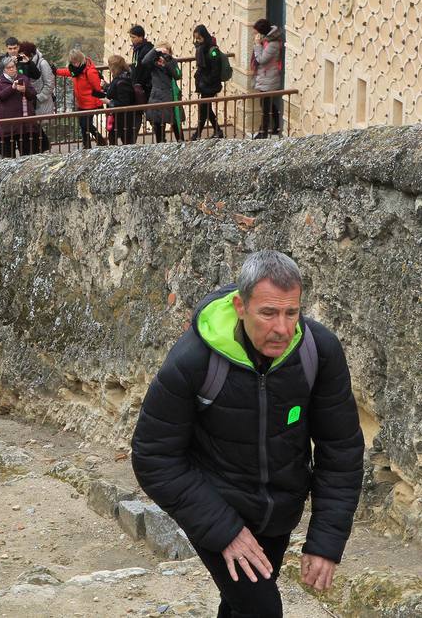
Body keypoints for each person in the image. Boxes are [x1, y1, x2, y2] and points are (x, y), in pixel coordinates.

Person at [131, 251, 364, 618]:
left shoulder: (319, 352)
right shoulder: (195, 359)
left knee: (241, 609)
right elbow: (153, 455)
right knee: (261, 610)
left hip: (279, 511)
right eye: (268, 313)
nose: (282, 328)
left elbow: (341, 450)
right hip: (215, 504)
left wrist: (325, 541)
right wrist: (224, 530)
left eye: (291, 313)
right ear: (241, 306)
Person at [57, 49, 106, 149]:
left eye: (76, 61)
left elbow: (97, 87)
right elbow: (67, 72)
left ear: (81, 59)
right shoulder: (75, 70)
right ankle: (86, 145)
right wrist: (55, 71)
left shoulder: (90, 71)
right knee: (83, 125)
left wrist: (99, 101)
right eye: (73, 62)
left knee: (86, 124)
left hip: (91, 102)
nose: (75, 64)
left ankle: (100, 140)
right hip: (81, 102)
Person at [0, 58, 37, 159]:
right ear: (4, 70)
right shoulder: (0, 81)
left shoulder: (23, 78)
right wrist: (12, 88)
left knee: (27, 156)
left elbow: (33, 94)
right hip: (8, 124)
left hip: (24, 124)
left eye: (13, 67)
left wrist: (25, 90)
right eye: (9, 68)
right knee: (7, 157)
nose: (12, 69)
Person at [249, 18, 285, 138]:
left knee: (265, 107)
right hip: (265, 77)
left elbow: (261, 59)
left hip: (269, 78)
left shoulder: (272, 44)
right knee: (268, 104)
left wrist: (257, 45)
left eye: (256, 32)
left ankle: (263, 133)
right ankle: (276, 127)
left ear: (262, 32)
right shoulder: (268, 40)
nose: (255, 35)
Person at [18, 41, 55, 153]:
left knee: (35, 126)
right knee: (33, 126)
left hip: (40, 102)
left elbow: (49, 83)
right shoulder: (22, 61)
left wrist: (39, 97)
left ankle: (43, 148)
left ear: (30, 55)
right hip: (30, 100)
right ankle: (43, 148)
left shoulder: (42, 63)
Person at [191, 24, 226, 140]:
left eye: (199, 39)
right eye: (196, 39)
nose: (198, 41)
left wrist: (205, 81)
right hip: (204, 85)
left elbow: (215, 71)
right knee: (206, 109)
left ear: (204, 36)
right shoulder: (202, 49)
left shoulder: (213, 50)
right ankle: (217, 131)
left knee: (204, 109)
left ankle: (197, 134)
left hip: (210, 85)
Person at [146, 43, 183, 143]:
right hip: (158, 96)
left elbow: (178, 75)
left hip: (171, 95)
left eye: (166, 51)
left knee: (175, 121)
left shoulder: (172, 61)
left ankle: (181, 142)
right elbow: (145, 61)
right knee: (158, 122)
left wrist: (168, 62)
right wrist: (155, 51)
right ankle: (161, 142)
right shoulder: (153, 63)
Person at [102, 55, 138, 145]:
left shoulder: (122, 81)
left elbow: (124, 102)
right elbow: (115, 90)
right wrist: (106, 87)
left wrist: (109, 102)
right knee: (123, 139)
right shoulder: (124, 77)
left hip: (122, 117)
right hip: (122, 117)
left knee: (120, 139)